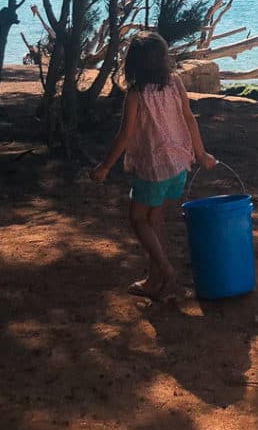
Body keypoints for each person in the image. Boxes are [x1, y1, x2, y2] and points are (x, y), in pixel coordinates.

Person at [90, 32, 216, 298]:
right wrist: (201, 153)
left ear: (133, 64)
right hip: (178, 164)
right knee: (155, 218)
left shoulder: (136, 95)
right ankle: (154, 279)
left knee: (138, 220)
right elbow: (189, 119)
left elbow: (125, 135)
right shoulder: (175, 83)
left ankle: (165, 268)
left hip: (153, 168)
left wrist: (104, 166)